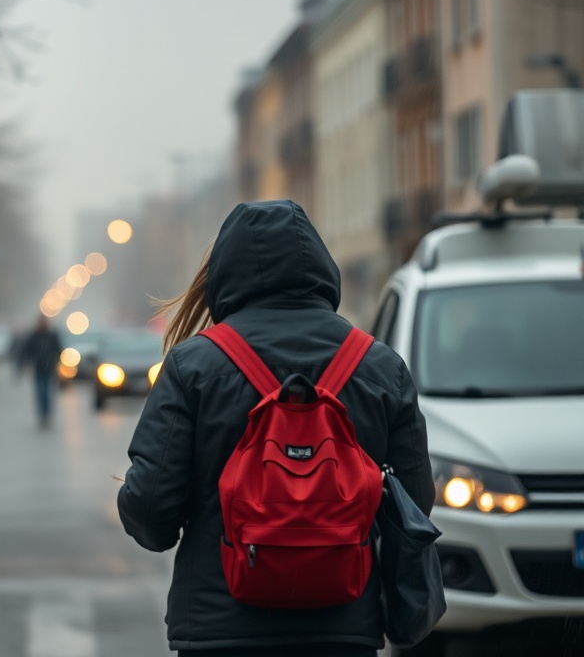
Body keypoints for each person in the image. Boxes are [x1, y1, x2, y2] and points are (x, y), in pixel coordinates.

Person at [117, 200, 434, 657]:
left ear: (222, 275)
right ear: (322, 266)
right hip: (343, 629)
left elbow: (151, 514)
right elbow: (416, 500)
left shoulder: (193, 366)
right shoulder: (379, 367)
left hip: (220, 631)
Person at [18, 315, 62, 428]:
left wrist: (57, 361)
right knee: (40, 392)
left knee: (47, 392)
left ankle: (47, 414)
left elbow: (59, 349)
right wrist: (24, 364)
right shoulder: (33, 336)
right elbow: (25, 351)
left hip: (49, 368)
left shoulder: (52, 336)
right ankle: (42, 414)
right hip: (38, 369)